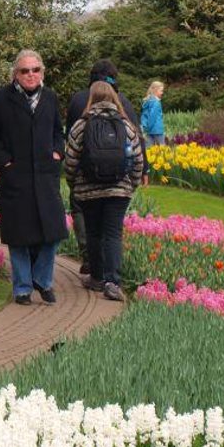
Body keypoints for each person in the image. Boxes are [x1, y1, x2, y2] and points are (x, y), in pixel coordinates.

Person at [0, 49, 68, 306]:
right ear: (15, 74)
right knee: (18, 235)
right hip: (16, 177)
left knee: (53, 232)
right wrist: (4, 161)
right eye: (24, 71)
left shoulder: (50, 98)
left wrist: (57, 153)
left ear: (42, 72)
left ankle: (42, 279)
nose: (30, 75)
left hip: (45, 177)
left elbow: (58, 132)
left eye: (35, 70)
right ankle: (22, 288)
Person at [64, 81, 145, 302]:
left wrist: (74, 184)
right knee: (113, 234)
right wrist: (132, 184)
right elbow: (137, 158)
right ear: (114, 98)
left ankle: (97, 278)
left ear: (91, 98)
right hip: (118, 190)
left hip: (88, 190)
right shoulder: (125, 124)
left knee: (93, 233)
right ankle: (112, 282)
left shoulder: (82, 124)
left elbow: (70, 159)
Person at [140, 81, 166, 146]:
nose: (162, 93)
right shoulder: (156, 103)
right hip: (157, 130)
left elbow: (144, 116)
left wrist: (145, 127)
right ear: (155, 90)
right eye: (161, 91)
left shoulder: (148, 102)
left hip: (149, 131)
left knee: (149, 149)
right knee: (162, 150)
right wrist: (149, 127)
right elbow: (152, 116)